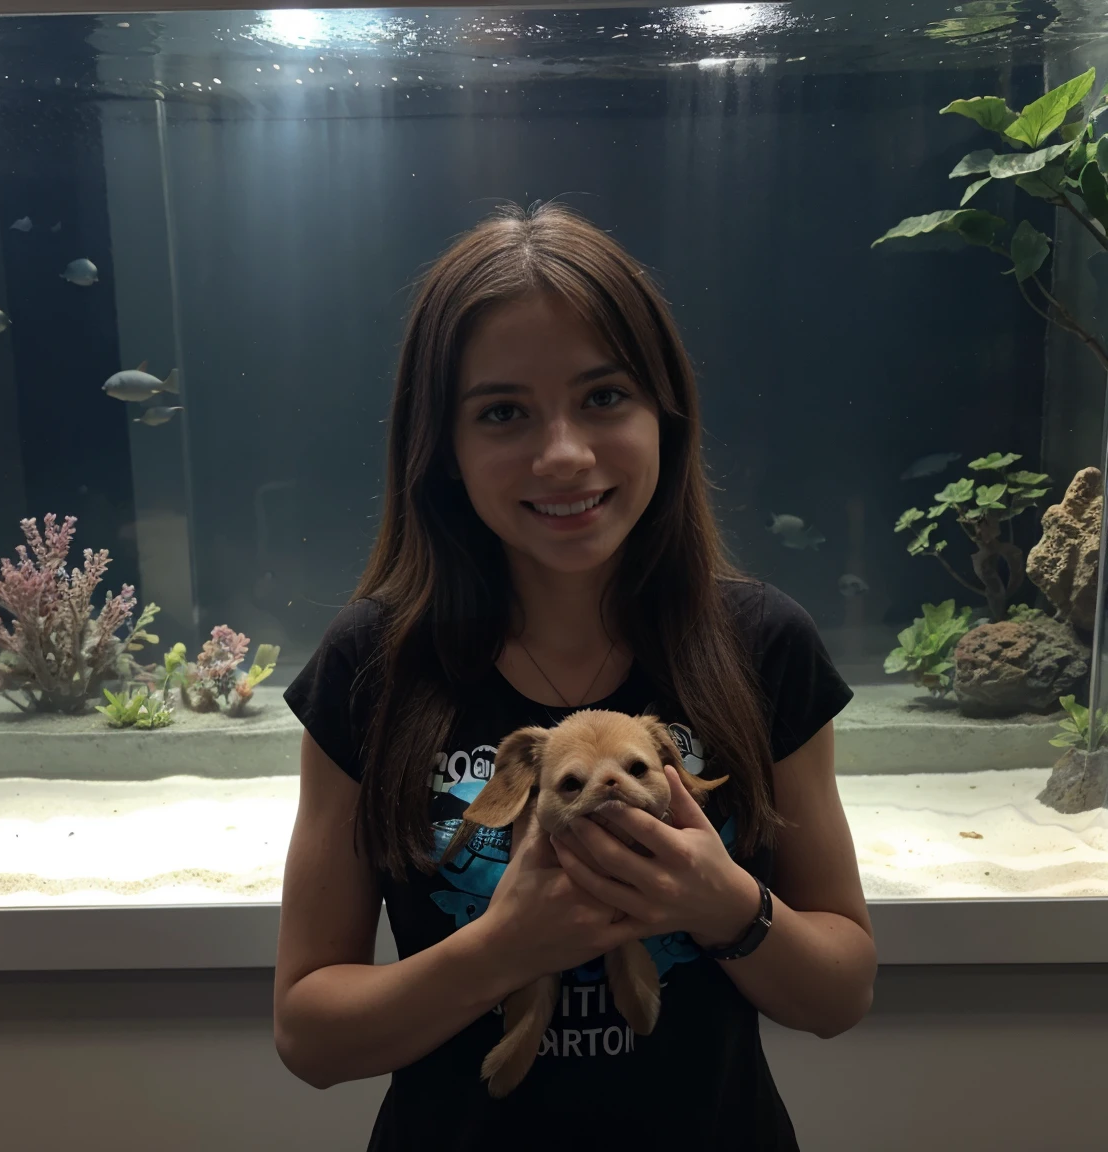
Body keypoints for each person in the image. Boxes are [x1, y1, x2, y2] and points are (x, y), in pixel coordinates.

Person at [275, 202, 877, 1150]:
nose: (563, 454)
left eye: (604, 397)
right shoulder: (369, 665)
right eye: (503, 412)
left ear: (666, 414)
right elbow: (309, 1034)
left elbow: (840, 991)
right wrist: (506, 947)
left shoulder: (765, 646)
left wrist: (720, 904)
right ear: (442, 445)